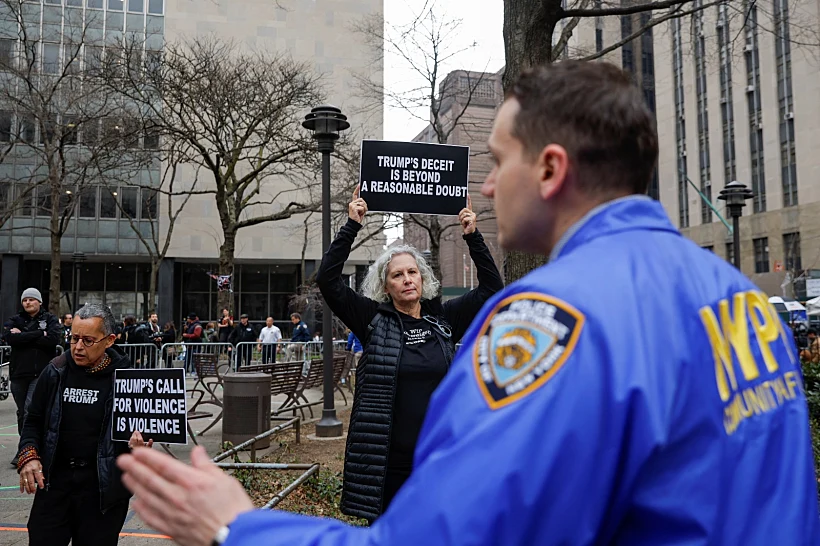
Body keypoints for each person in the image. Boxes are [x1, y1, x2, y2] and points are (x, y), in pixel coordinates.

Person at [116, 61, 820, 545]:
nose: (486, 187)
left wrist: (237, 525)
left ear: (549, 170)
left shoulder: (554, 322)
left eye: (497, 159)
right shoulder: (743, 300)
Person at [314, 184, 502, 521]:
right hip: (388, 463)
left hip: (437, 457)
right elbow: (328, 281)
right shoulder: (372, 319)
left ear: (422, 278)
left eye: (412, 272)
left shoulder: (442, 319)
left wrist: (472, 235)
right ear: (386, 286)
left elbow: (491, 289)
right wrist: (352, 224)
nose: (406, 280)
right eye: (397, 275)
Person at [17, 303, 152, 546]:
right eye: (74, 338)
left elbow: (139, 434)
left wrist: (139, 448)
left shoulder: (127, 378)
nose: (78, 347)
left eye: (88, 340)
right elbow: (33, 421)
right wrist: (30, 455)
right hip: (54, 485)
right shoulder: (55, 371)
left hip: (102, 491)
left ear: (109, 340)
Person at [1, 288, 61, 465]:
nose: (28, 303)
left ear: (39, 302)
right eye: (25, 300)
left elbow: (53, 339)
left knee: (29, 410)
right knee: (22, 413)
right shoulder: (15, 319)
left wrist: (24, 336)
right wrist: (37, 334)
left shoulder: (49, 319)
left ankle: (26, 449)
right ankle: (28, 445)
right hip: (19, 374)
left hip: (40, 374)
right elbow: (9, 339)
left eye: (31, 300)